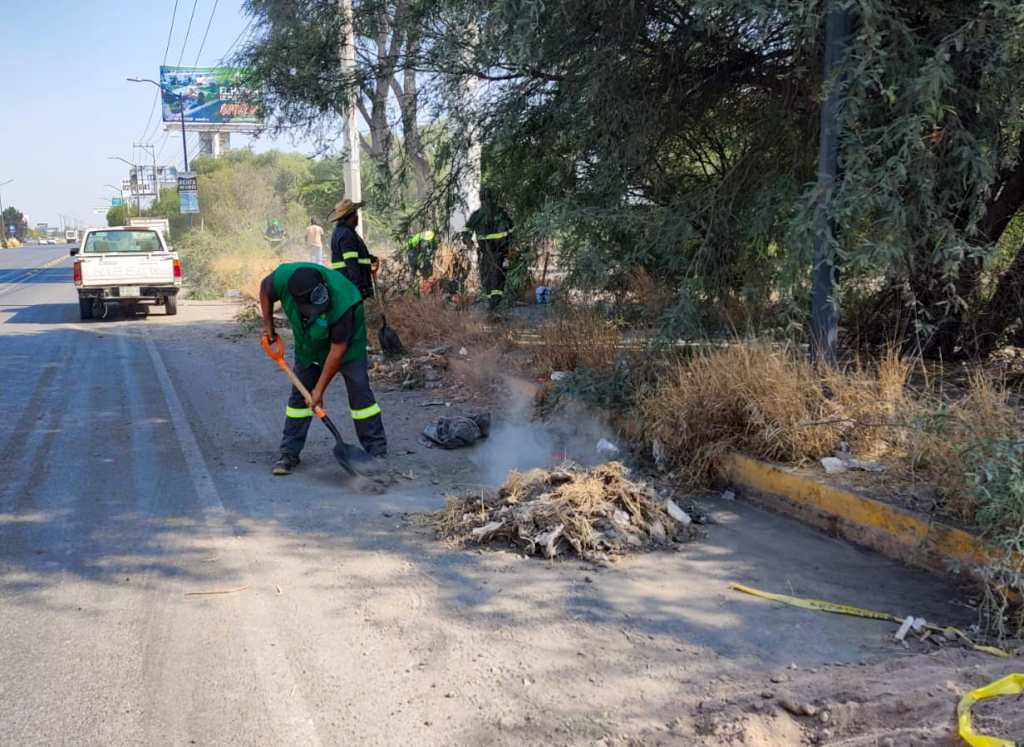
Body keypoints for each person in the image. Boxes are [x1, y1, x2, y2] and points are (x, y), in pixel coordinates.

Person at [260, 262, 387, 476]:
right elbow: (265, 289)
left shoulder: (346, 301)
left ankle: (377, 452)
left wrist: (318, 391)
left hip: (348, 346)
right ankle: (289, 453)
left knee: (360, 393)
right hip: (309, 345)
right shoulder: (282, 279)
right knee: (299, 400)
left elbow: (337, 352)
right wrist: (268, 327)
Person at [466, 187, 514, 310]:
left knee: (492, 280)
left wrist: (468, 241)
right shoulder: (501, 213)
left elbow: (467, 233)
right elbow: (512, 232)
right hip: (495, 254)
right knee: (494, 280)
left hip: (495, 254)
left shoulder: (478, 215)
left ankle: (493, 306)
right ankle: (494, 305)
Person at [327, 198, 376, 299]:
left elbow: (354, 255)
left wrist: (370, 258)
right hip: (351, 284)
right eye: (355, 214)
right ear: (349, 217)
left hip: (348, 282)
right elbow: (351, 263)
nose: (357, 217)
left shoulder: (344, 232)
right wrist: (359, 287)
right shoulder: (346, 235)